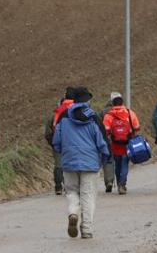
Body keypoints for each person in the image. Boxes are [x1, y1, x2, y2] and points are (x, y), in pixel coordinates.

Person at [53, 86, 110, 239]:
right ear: (87, 100)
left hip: (69, 161)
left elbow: (56, 140)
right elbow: (102, 141)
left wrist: (62, 151)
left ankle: (72, 213)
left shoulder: (64, 116)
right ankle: (86, 230)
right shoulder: (94, 117)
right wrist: (105, 156)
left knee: (71, 191)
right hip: (90, 163)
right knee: (88, 195)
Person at [103, 92, 141, 195]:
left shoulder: (108, 115)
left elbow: (106, 131)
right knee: (125, 163)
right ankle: (122, 184)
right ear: (122, 103)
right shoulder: (129, 113)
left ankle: (119, 181)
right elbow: (137, 127)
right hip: (127, 143)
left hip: (115, 144)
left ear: (113, 104)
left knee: (117, 164)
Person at [44, 87, 75, 195]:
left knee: (58, 165)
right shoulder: (73, 112)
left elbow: (47, 133)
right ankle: (68, 186)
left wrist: (53, 143)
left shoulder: (54, 116)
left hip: (57, 143)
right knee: (69, 164)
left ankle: (58, 187)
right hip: (71, 143)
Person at [98, 92, 121, 193]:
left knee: (108, 160)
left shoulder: (103, 111)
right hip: (121, 139)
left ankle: (109, 181)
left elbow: (98, 126)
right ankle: (121, 182)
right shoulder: (124, 110)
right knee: (121, 160)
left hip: (106, 139)